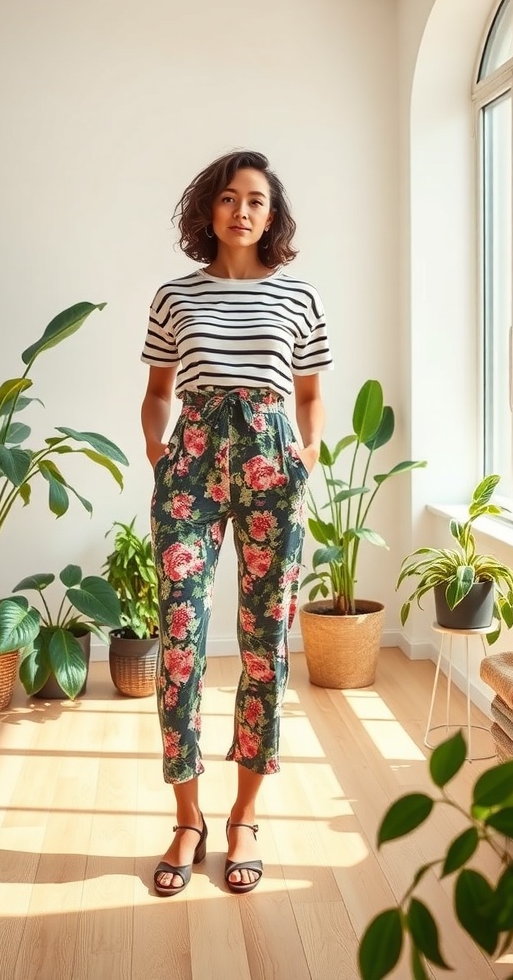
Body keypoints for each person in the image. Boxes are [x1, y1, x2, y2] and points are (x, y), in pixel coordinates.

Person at [140, 149, 332, 897]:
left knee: (263, 646)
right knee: (180, 643)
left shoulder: (299, 296)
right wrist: (160, 448)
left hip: (272, 463)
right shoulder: (173, 296)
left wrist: (306, 456)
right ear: (207, 211)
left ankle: (245, 815)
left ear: (272, 215)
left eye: (256, 199)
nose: (242, 210)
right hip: (190, 462)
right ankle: (187, 818)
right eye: (227, 197)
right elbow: (158, 387)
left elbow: (311, 391)